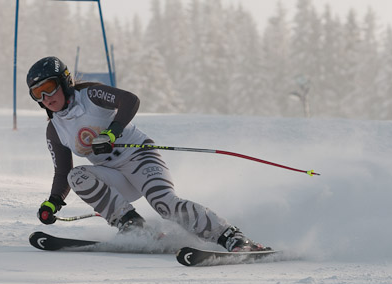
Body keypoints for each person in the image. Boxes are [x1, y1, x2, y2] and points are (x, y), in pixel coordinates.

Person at [27, 56, 268, 252]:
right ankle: (133, 226)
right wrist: (54, 202)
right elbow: (63, 171)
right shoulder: (55, 129)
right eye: (38, 93)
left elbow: (130, 100)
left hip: (141, 159)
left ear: (64, 81)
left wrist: (111, 133)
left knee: (164, 204)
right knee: (77, 176)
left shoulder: (90, 96)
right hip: (114, 176)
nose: (46, 98)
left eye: (49, 88)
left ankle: (230, 236)